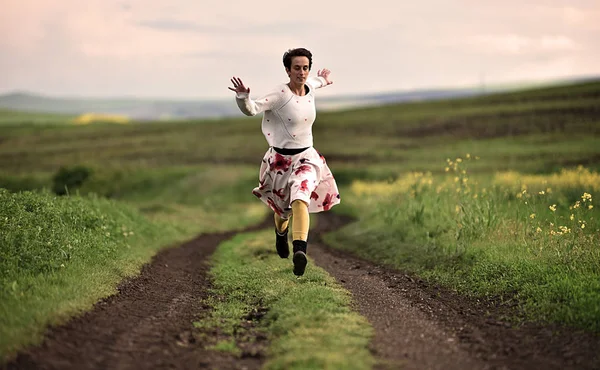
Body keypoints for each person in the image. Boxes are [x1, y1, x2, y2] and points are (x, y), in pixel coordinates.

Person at [229, 47, 340, 276]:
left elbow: (317, 82)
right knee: (282, 211)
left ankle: (300, 251)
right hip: (280, 163)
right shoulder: (279, 94)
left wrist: (325, 80)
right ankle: (281, 234)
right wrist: (243, 97)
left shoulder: (309, 86)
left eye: (305, 68)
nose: (302, 72)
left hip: (306, 158)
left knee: (301, 198)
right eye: (297, 68)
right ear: (288, 70)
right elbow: (253, 109)